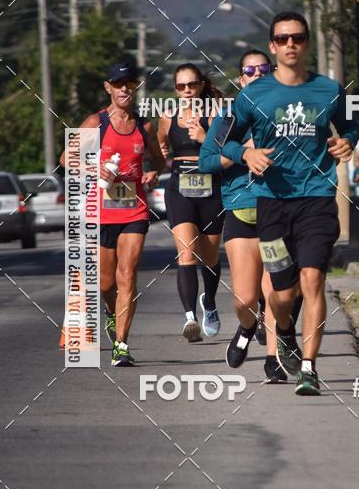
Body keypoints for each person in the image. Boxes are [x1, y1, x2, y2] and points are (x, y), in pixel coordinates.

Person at [219, 11, 358, 396]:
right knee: (281, 293)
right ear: (272, 47)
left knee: (312, 279)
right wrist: (245, 156)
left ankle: (310, 368)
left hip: (317, 198)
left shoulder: (329, 90)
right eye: (282, 39)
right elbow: (226, 141)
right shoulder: (253, 94)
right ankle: (282, 330)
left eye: (297, 37)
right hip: (272, 204)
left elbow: (349, 127)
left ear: (307, 43)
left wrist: (348, 142)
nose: (290, 44)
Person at [60, 61, 165, 366]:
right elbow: (67, 157)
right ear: (108, 87)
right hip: (102, 211)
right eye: (118, 84)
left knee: (127, 274)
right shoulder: (97, 123)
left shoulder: (144, 126)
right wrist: (96, 168)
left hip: (135, 209)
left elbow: (158, 161)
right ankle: (110, 312)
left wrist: (152, 174)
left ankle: (121, 344)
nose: (124, 89)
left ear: (135, 88)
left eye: (129, 84)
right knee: (106, 283)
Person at [199, 50, 288, 383]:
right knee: (245, 298)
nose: (257, 74)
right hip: (241, 213)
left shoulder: (286, 116)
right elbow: (206, 161)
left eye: (264, 69)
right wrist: (241, 154)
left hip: (277, 211)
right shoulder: (229, 118)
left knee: (276, 292)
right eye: (250, 70)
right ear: (241, 79)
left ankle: (273, 360)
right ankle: (247, 326)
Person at [157, 64, 223, 342]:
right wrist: (155, 167)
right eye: (181, 86)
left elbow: (225, 149)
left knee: (209, 257)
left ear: (201, 85)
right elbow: (160, 145)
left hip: (211, 187)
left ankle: (208, 303)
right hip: (180, 188)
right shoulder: (167, 116)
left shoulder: (217, 113)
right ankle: (189, 318)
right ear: (175, 89)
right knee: (186, 253)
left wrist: (203, 138)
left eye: (192, 85)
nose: (187, 91)